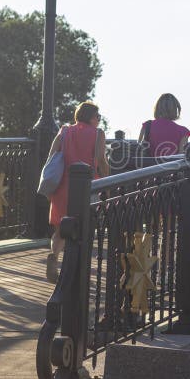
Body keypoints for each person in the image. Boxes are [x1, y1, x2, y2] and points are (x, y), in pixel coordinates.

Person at [45, 101, 110, 283]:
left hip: (62, 185)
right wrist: (107, 177)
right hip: (87, 187)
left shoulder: (64, 131)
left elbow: (51, 156)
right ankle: (76, 271)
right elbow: (100, 159)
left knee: (60, 229)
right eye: (98, 117)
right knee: (84, 228)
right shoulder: (98, 134)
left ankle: (53, 256)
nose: (98, 120)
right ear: (91, 117)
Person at [138, 93, 190, 158]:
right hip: (171, 167)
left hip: (148, 167)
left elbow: (138, 151)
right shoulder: (183, 132)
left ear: (157, 107)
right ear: (176, 109)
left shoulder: (147, 126)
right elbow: (180, 158)